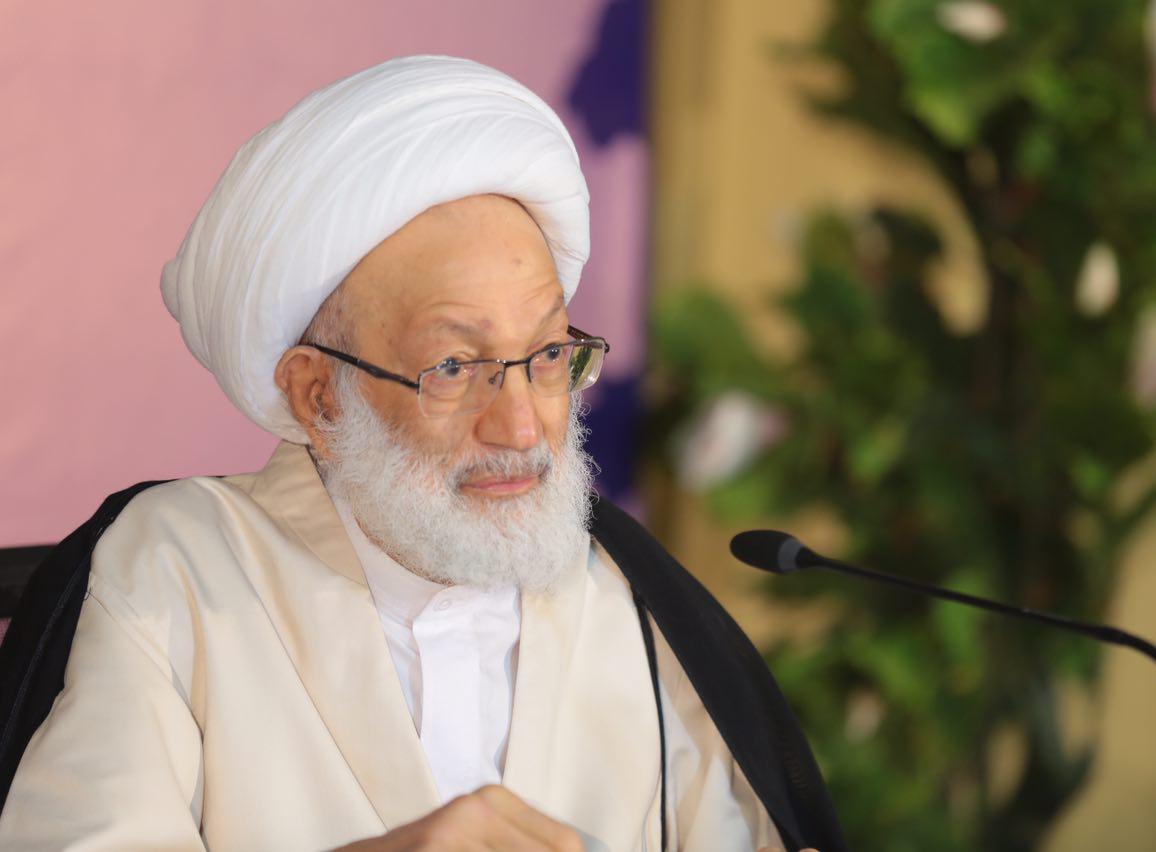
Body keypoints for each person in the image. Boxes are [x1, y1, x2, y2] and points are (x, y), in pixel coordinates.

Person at [0, 57, 838, 851]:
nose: (521, 427)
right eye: (454, 367)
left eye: (549, 355)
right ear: (318, 396)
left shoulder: (630, 599)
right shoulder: (176, 568)